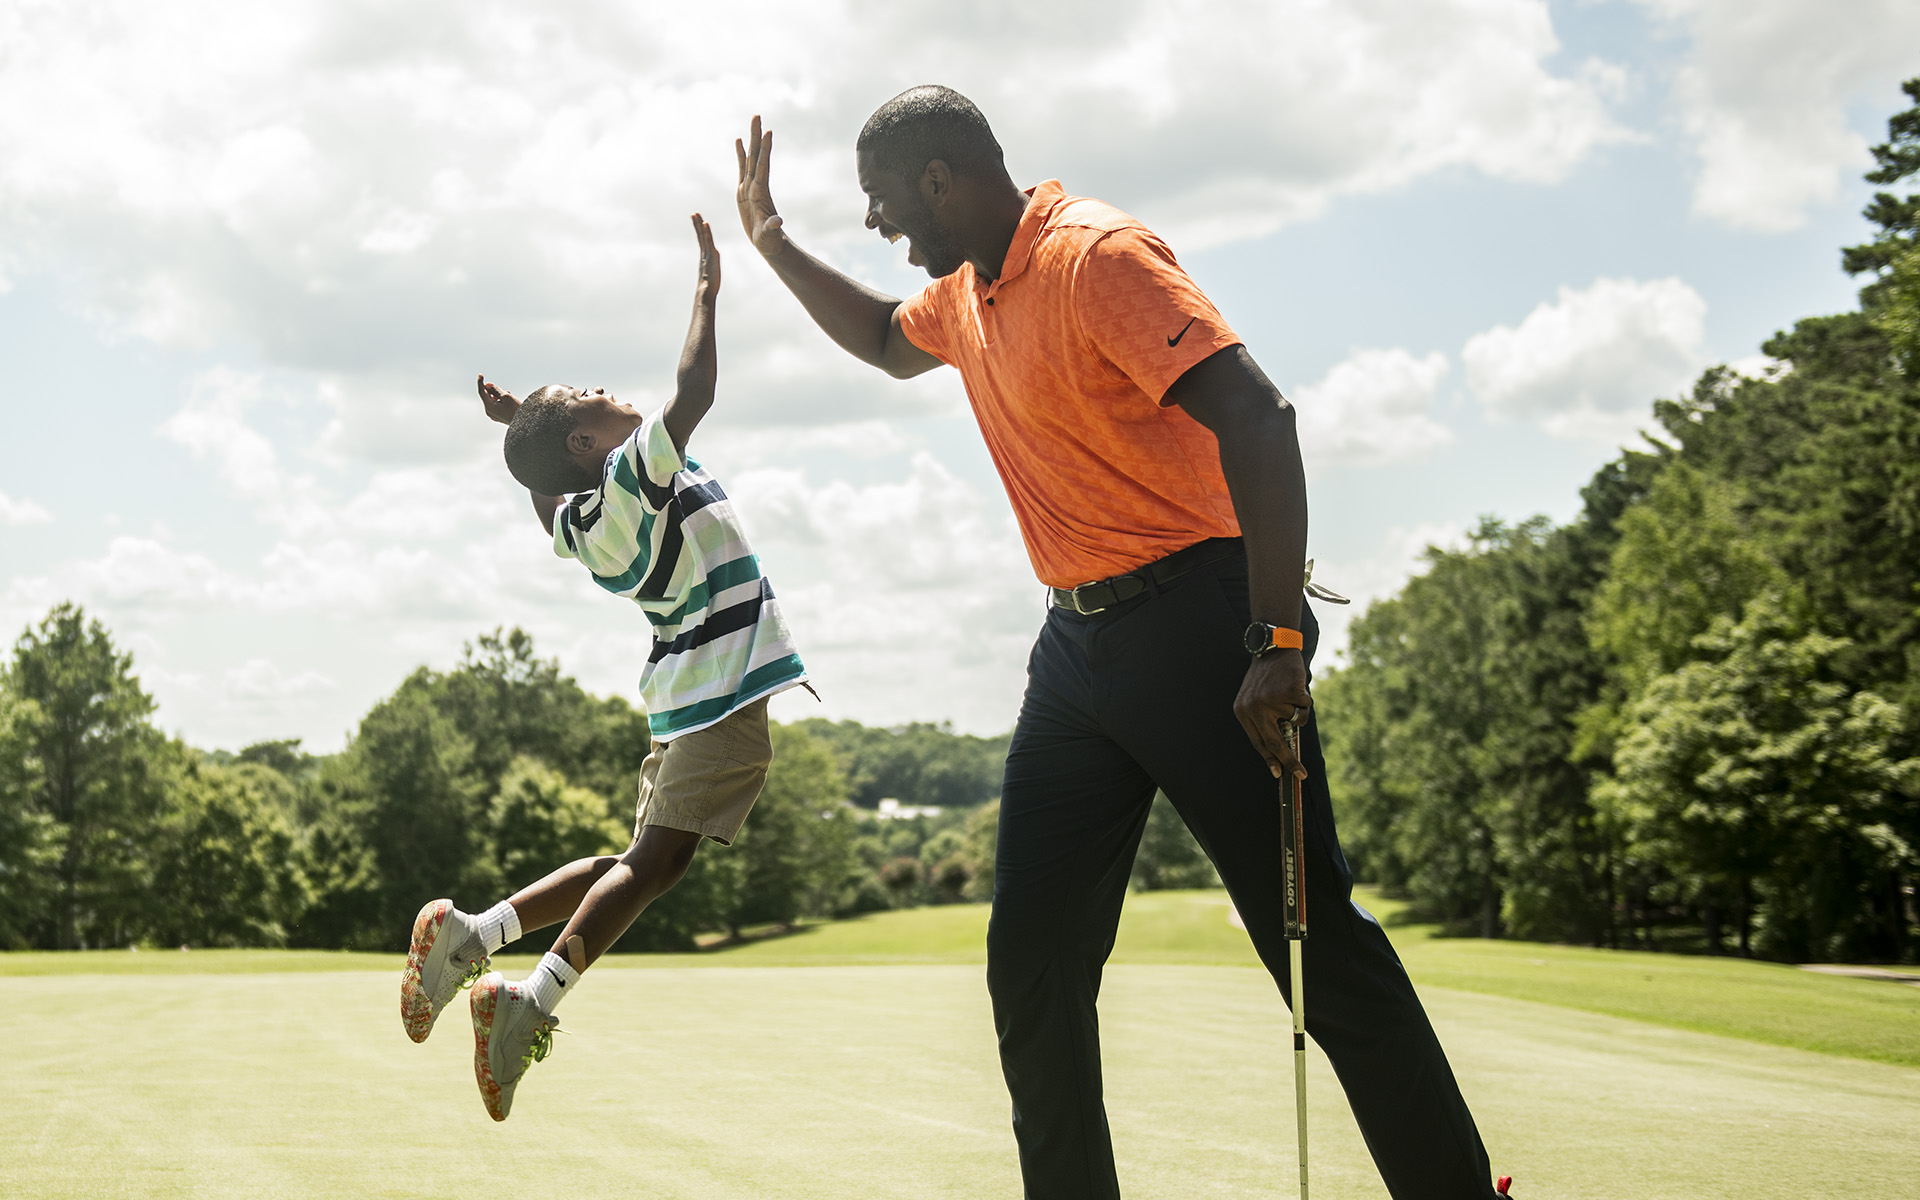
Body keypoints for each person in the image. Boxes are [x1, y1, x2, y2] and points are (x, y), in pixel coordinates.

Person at [734, 90, 1508, 1198]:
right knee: (1032, 964)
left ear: (941, 181)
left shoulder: (1096, 256)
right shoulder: (966, 294)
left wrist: (1279, 636)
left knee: (1315, 948)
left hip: (1204, 632)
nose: (876, 223)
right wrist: (773, 245)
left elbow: (1260, 417)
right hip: (1076, 654)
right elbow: (875, 339)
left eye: (881, 201)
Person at [398, 214, 808, 1122]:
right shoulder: (633, 474)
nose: (605, 392)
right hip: (718, 691)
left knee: (635, 860)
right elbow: (692, 390)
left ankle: (478, 934)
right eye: (587, 398)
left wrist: (527, 426)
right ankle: (526, 1002)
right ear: (589, 447)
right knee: (657, 867)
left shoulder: (581, 519)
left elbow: (543, 490)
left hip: (679, 696)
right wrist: (706, 292)